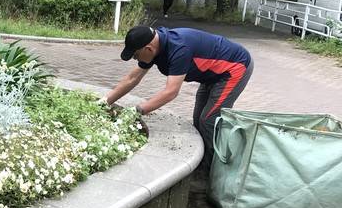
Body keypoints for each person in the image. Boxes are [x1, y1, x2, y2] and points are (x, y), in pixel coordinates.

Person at [107, 25, 253, 167]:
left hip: (235, 68)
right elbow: (132, 79)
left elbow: (171, 92)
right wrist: (104, 102)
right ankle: (203, 164)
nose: (135, 59)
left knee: (208, 120)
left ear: (148, 49)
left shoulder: (179, 49)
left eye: (135, 55)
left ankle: (210, 173)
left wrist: (137, 111)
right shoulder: (156, 48)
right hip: (211, 76)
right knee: (198, 119)